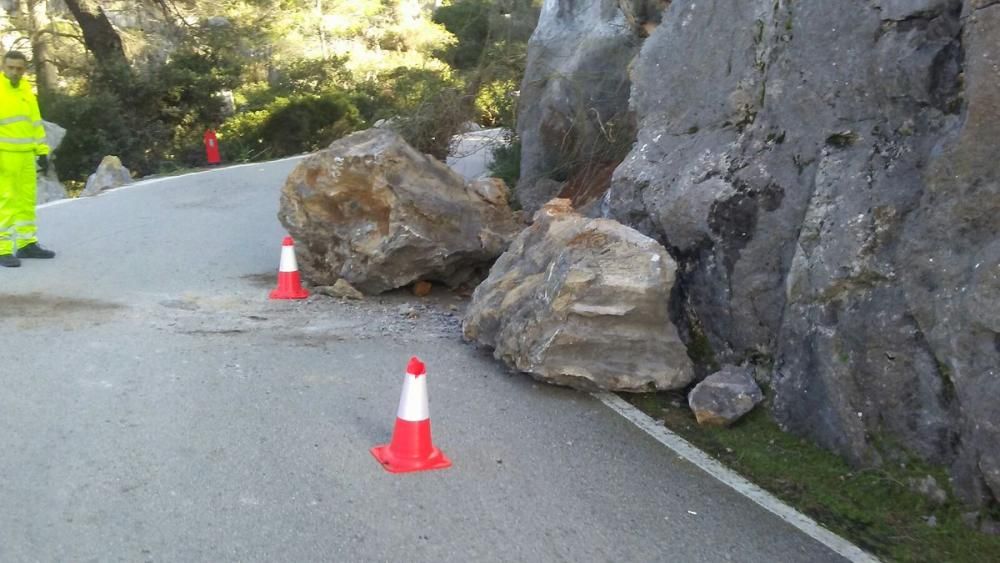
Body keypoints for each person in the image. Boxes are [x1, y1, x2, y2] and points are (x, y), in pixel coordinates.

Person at [0, 50, 55, 268]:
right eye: (10, 67)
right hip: (4, 155)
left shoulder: (25, 89)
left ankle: (26, 243)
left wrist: (42, 151)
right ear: (3, 67)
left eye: (19, 69)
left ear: (24, 70)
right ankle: (3, 249)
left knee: (26, 201)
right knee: (5, 201)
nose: (14, 72)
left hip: (25, 156)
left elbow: (35, 122)